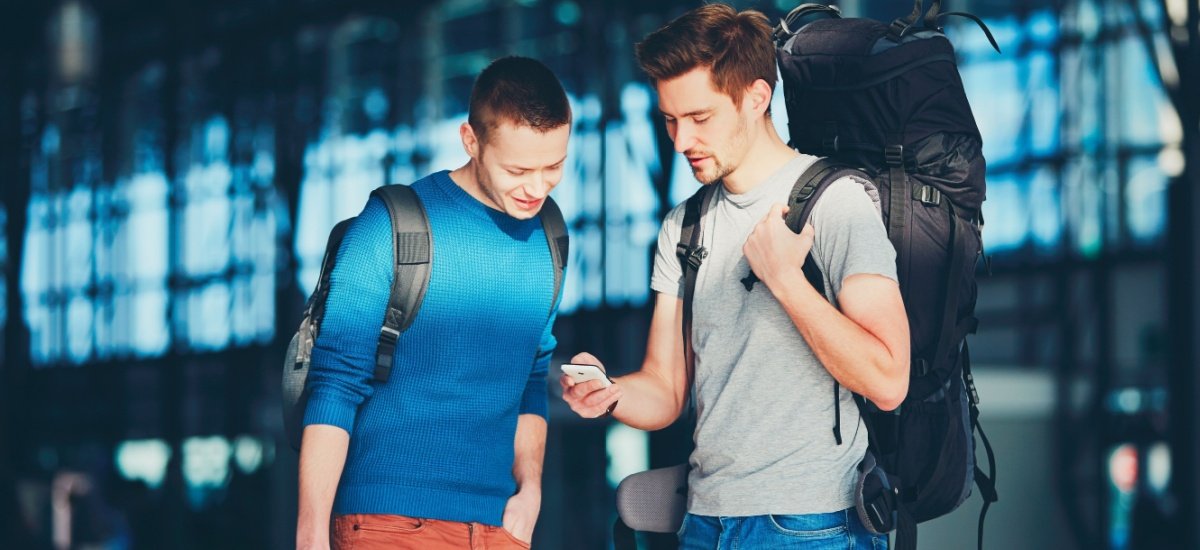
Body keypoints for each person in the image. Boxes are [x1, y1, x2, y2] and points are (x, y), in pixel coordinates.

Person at [561, 5, 910, 549]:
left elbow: (889, 382)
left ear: (756, 98)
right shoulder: (685, 227)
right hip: (704, 523)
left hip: (810, 525)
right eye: (670, 120)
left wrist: (785, 280)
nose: (681, 141)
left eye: (700, 118)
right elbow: (666, 390)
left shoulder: (835, 203)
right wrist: (609, 394)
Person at [297, 56, 571, 550]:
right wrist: (311, 535)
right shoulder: (390, 226)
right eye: (518, 169)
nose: (536, 187)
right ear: (471, 140)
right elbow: (334, 383)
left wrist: (530, 491)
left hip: (500, 528)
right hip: (387, 524)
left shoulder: (550, 237)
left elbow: (530, 378)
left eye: (553, 166)